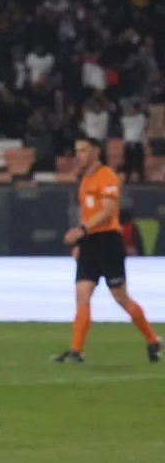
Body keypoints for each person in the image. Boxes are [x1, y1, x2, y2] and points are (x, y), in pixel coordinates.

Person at [54, 137, 161, 364]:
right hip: (90, 243)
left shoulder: (107, 176)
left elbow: (108, 210)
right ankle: (76, 351)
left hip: (109, 242)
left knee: (121, 298)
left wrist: (81, 230)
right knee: (82, 294)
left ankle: (153, 340)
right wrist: (81, 243)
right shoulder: (84, 179)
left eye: (83, 150)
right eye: (77, 150)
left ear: (95, 152)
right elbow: (89, 213)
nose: (79, 155)